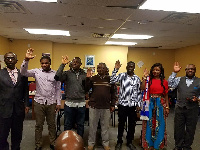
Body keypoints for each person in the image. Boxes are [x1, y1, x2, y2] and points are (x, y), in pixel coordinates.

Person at [20, 48, 61, 150]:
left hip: (51, 103)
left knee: (52, 124)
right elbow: (23, 72)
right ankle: (38, 144)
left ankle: (53, 142)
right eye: (42, 63)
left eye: (46, 63)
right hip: (39, 102)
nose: (44, 65)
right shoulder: (36, 72)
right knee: (39, 125)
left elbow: (58, 89)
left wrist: (58, 103)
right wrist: (26, 60)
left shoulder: (55, 74)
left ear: (50, 63)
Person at [0, 52, 29, 150]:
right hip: (4, 109)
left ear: (16, 60)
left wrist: (26, 104)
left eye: (12, 58)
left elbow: (25, 90)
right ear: (4, 61)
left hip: (18, 110)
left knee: (17, 134)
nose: (10, 60)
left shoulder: (23, 74)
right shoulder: (0, 73)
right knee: (2, 135)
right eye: (7, 58)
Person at [110, 60, 142, 150]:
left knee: (132, 124)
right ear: (126, 67)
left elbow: (139, 92)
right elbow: (112, 80)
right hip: (123, 105)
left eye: (132, 67)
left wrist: (139, 104)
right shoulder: (122, 75)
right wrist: (116, 69)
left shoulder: (137, 78)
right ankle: (119, 141)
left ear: (134, 68)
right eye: (129, 66)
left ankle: (129, 142)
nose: (130, 68)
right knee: (121, 124)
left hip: (133, 105)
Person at [168, 62, 200, 150]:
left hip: (193, 109)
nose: (190, 70)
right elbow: (170, 84)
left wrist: (198, 99)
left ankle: (187, 146)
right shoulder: (179, 79)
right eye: (188, 69)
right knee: (178, 128)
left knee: (191, 129)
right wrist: (174, 72)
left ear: (195, 71)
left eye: (192, 69)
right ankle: (178, 145)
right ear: (185, 70)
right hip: (180, 108)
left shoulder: (199, 81)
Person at [86, 63, 116, 150]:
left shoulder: (110, 79)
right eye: (98, 68)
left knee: (105, 127)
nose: (100, 69)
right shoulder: (93, 78)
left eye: (102, 68)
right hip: (94, 106)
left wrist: (112, 104)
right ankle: (91, 143)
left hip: (106, 107)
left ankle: (105, 143)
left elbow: (114, 93)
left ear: (106, 69)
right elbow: (86, 89)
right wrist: (88, 78)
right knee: (92, 126)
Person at [54, 55, 86, 137]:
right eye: (73, 62)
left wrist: (89, 79)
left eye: (77, 62)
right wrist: (62, 65)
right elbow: (57, 77)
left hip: (81, 103)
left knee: (80, 125)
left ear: (80, 64)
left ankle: (80, 142)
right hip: (69, 103)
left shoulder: (84, 74)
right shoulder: (67, 73)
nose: (74, 63)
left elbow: (87, 87)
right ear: (71, 64)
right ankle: (67, 142)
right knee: (68, 124)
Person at [140, 63, 169, 150]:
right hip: (149, 104)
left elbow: (166, 95)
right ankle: (148, 144)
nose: (155, 71)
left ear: (161, 72)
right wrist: (145, 78)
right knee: (148, 124)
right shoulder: (148, 80)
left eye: (157, 70)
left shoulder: (164, 82)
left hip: (160, 105)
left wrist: (167, 107)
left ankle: (158, 144)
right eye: (154, 70)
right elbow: (142, 88)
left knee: (160, 124)